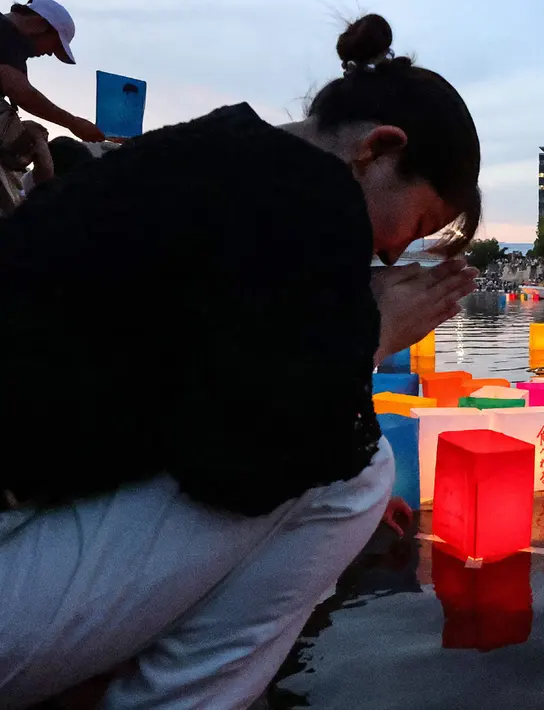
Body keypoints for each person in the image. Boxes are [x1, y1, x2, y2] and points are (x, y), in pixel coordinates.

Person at [0, 14, 480, 708]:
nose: (389, 254)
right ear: (377, 150)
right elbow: (241, 471)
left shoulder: (213, 156)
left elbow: (192, 390)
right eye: (414, 224)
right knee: (354, 476)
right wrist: (368, 342)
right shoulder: (311, 202)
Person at [0, 1, 104, 142]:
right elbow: (20, 91)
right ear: (40, 25)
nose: (49, 53)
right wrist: (73, 123)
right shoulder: (4, 34)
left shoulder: (12, 46)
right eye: (55, 44)